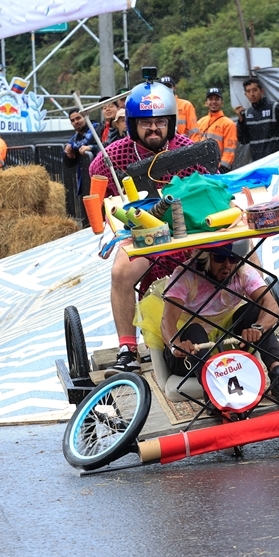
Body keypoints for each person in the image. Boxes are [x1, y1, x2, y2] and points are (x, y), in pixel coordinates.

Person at [88, 77, 215, 375]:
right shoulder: (110, 158)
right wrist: (114, 220)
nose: (154, 128)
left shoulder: (190, 151)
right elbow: (99, 199)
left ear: (171, 122)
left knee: (232, 252)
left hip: (188, 233)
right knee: (121, 270)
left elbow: (212, 191)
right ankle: (127, 349)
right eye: (146, 123)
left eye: (160, 121)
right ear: (133, 125)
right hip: (143, 235)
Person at [161, 244, 279, 404]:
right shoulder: (185, 275)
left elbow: (272, 306)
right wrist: (175, 345)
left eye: (233, 258)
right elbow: (167, 320)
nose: (227, 265)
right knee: (195, 329)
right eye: (219, 258)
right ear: (206, 257)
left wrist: (257, 328)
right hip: (189, 352)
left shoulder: (242, 272)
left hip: (227, 343)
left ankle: (277, 372)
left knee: (253, 310)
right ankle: (211, 389)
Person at [234, 77, 279, 161]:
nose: (252, 94)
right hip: (258, 163)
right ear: (245, 94)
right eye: (248, 91)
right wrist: (241, 121)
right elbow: (243, 140)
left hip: (277, 161)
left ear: (261, 91)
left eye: (255, 90)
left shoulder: (274, 108)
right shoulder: (247, 114)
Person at [192, 87, 238, 173]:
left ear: (222, 103)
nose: (213, 102)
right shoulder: (200, 122)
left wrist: (222, 168)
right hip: (201, 169)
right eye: (210, 99)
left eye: (217, 99)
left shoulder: (228, 123)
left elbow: (229, 150)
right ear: (206, 103)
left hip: (219, 169)